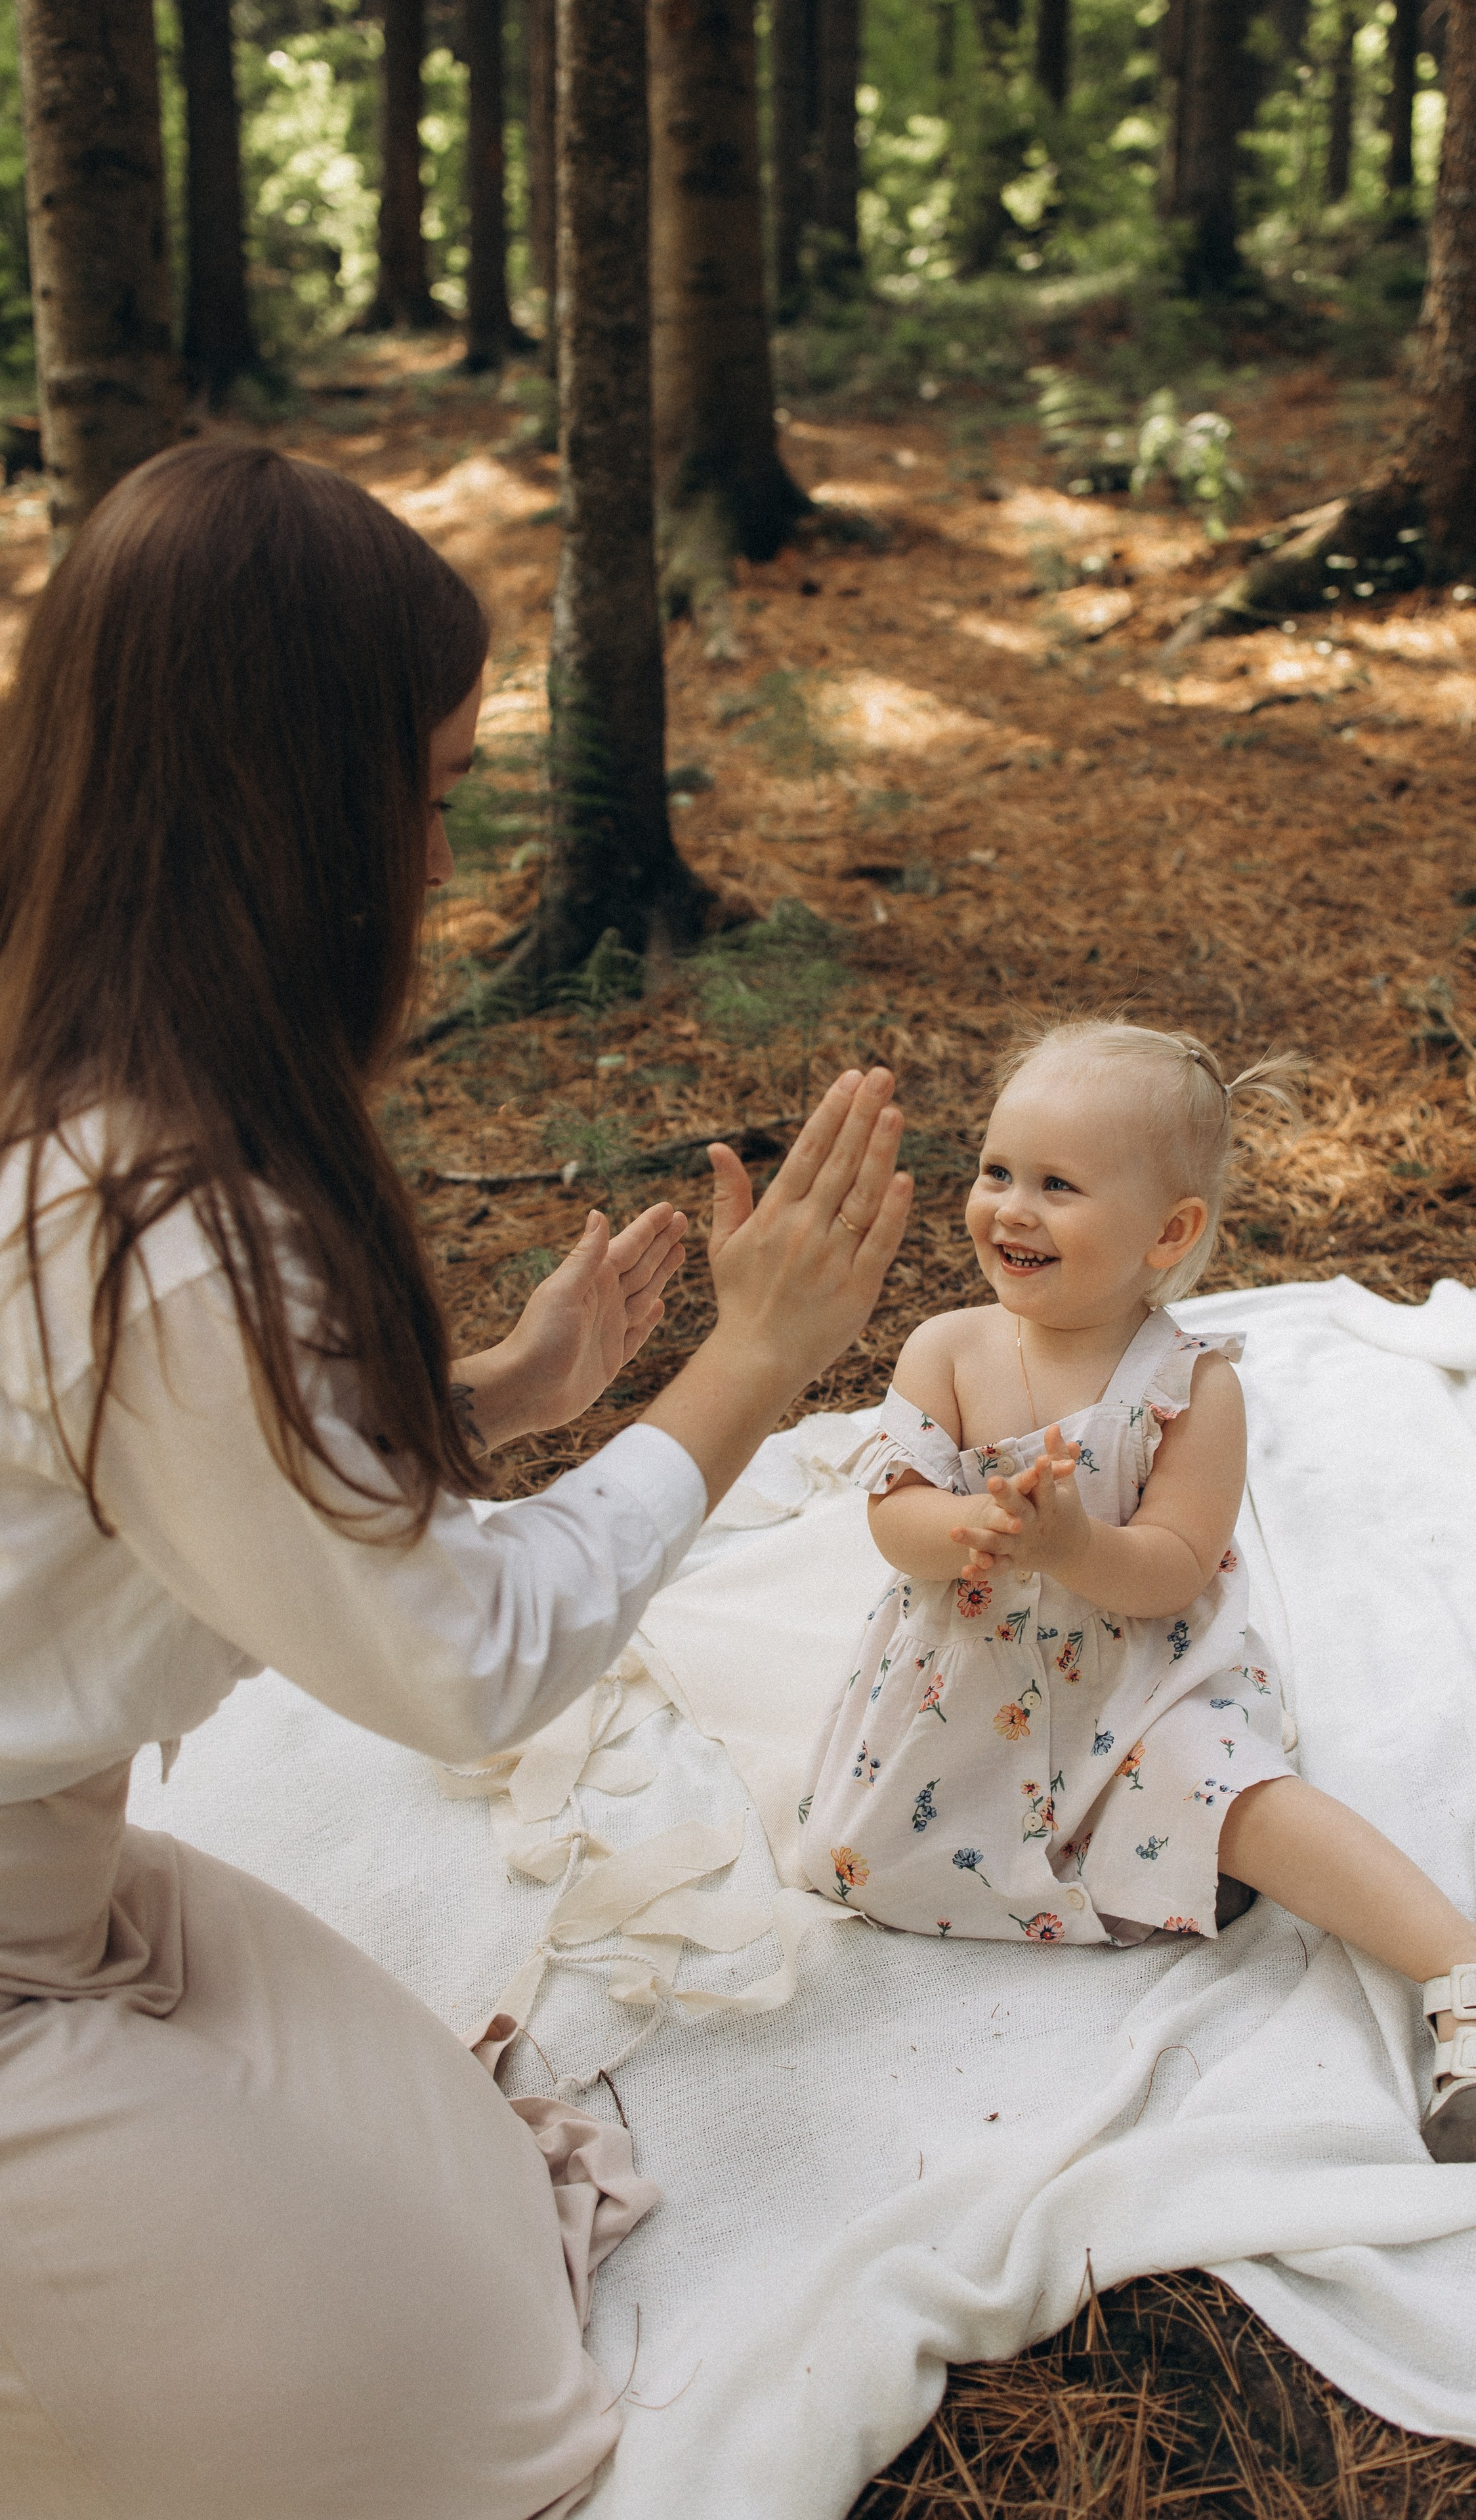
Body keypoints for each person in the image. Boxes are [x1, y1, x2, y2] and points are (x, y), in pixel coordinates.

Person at [0, 440, 912, 2520]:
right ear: (287, 807)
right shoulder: (158, 1219)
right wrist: (750, 1369)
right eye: (423, 796)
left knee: (493, 2198)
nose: (436, 858)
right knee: (486, 2433)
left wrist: (489, 1396)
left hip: (62, 1886)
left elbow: (154, 1481)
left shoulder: (86, 1085)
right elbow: (465, 1664)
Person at [799, 1017, 1476, 2167]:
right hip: (972, 1680)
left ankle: (1472, 1970)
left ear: (1168, 1232)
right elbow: (893, 1518)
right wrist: (970, 1528)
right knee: (859, 1858)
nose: (1011, 1209)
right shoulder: (947, 1350)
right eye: (997, 1171)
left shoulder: (1189, 1388)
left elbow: (1171, 1569)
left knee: (1226, 1787)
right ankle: (1144, 1866)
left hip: (1138, 1683)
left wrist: (1071, 1544)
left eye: (1058, 1185)